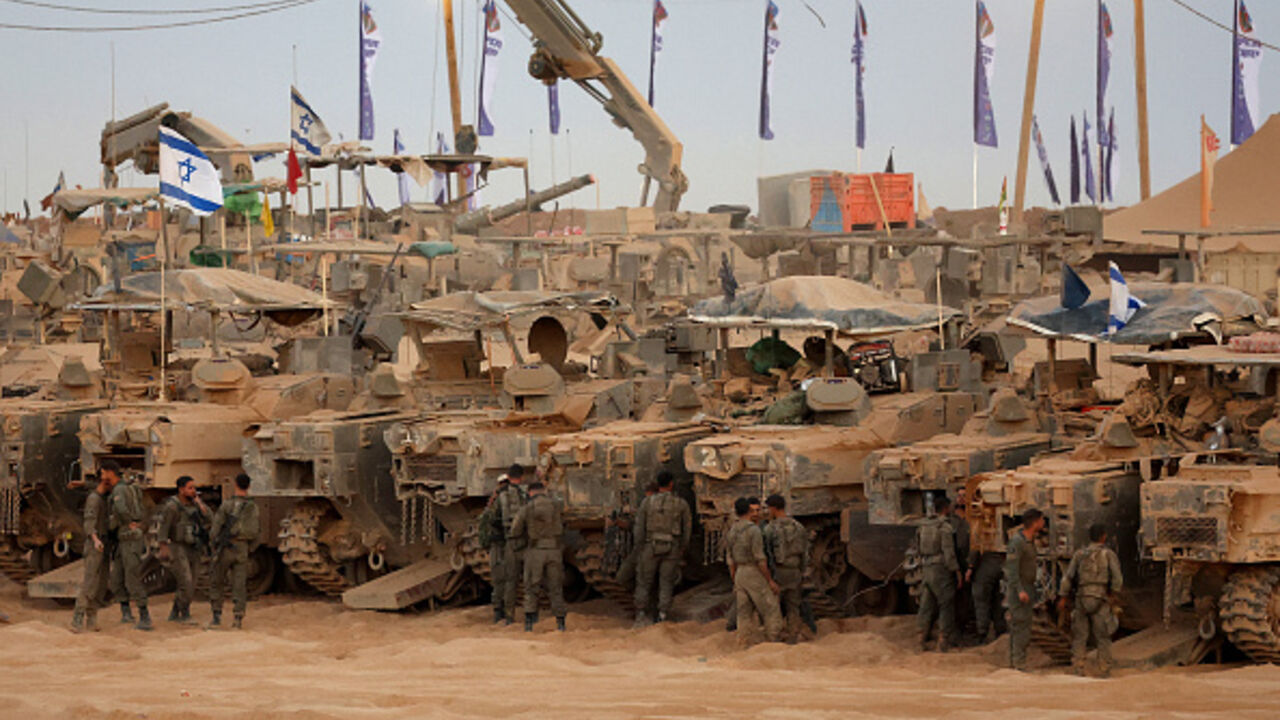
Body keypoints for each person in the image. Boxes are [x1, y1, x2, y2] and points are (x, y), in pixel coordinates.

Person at [1060, 523, 1123, 677]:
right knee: (1103, 636)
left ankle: (1078, 667)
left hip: (1081, 597)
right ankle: (1104, 668)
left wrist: (1063, 597)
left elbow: (1068, 577)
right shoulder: (1108, 554)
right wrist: (1113, 595)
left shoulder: (1079, 554)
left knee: (1080, 636)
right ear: (1104, 536)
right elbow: (1117, 579)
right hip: (1100, 598)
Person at [632, 470, 692, 626]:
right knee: (666, 582)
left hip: (650, 545)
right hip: (672, 546)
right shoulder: (681, 504)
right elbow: (687, 529)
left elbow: (639, 528)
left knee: (644, 581)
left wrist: (639, 547)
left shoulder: (647, 502)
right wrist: (682, 548)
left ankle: (640, 614)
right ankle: (662, 614)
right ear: (671, 484)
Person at [70, 462, 120, 633]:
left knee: (100, 583)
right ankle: (78, 618)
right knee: (90, 582)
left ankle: (92, 618)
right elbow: (89, 522)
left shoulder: (103, 497)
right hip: (95, 543)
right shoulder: (94, 499)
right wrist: (95, 539)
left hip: (105, 542)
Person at [510, 482, 566, 631]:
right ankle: (560, 623)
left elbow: (515, 530)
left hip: (535, 551)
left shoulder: (528, 508)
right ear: (544, 491)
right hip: (554, 550)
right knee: (556, 588)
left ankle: (529, 623)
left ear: (530, 492)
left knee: (531, 587)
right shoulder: (556, 506)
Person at [726, 497, 782, 644]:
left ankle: (742, 642)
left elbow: (730, 560)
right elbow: (760, 559)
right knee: (770, 609)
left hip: (739, 574)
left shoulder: (732, 530)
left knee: (743, 613)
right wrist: (769, 580)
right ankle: (773, 641)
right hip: (753, 572)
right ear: (749, 511)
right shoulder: (753, 530)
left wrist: (735, 580)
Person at [208, 473, 260, 630]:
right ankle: (238, 619)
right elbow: (258, 531)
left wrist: (213, 544)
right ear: (249, 486)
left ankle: (216, 618)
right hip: (242, 548)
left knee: (217, 582)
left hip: (226, 548)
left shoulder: (227, 505)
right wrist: (249, 548)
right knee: (239, 584)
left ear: (236, 485)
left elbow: (215, 528)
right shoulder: (253, 506)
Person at [156, 475, 211, 624]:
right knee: (185, 581)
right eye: (190, 488)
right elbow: (163, 528)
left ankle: (175, 612)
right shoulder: (172, 506)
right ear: (181, 490)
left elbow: (210, 519)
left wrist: (199, 503)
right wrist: (163, 547)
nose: (193, 491)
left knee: (192, 583)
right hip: (178, 547)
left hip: (193, 546)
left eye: (194, 488)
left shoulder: (195, 505)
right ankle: (184, 614)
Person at [107, 461, 151, 631]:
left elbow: (120, 509)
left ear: (110, 473)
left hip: (129, 537)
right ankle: (126, 613)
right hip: (122, 538)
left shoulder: (120, 490)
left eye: (104, 473)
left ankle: (144, 616)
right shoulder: (129, 487)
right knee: (117, 578)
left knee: (132, 578)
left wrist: (128, 522)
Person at [915, 496, 961, 651]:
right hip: (940, 569)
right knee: (946, 604)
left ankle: (920, 638)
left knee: (926, 604)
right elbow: (949, 553)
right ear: (946, 508)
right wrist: (956, 571)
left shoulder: (924, 525)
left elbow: (917, 547)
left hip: (926, 567)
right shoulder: (944, 527)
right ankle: (943, 640)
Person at [763, 494, 809, 642]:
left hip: (779, 571)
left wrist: (769, 577)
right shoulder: (798, 527)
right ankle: (793, 636)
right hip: (795, 571)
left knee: (774, 607)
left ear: (773, 508)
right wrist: (801, 571)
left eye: (768, 508)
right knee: (793, 606)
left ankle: (774, 637)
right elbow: (805, 554)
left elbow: (767, 554)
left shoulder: (770, 528)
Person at [1005, 508, 1046, 671]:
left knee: (1023, 626)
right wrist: (1020, 590)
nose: (1043, 523)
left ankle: (1016, 662)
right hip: (1019, 589)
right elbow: (1012, 570)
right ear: (1035, 522)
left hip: (1028, 586)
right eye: (1041, 520)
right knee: (1021, 626)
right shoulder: (1017, 542)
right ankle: (1018, 663)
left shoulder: (1029, 541)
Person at [493, 464, 528, 625]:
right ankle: (531, 615)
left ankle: (508, 616)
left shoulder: (501, 495)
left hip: (509, 542)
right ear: (521, 477)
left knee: (510, 581)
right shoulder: (525, 494)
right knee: (530, 580)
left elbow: (493, 518)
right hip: (526, 542)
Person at [614, 482, 659, 589]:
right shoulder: (674, 504)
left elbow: (637, 527)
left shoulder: (646, 505)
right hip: (662, 547)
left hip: (647, 547)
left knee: (625, 578)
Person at [481, 474, 512, 623]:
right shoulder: (515, 496)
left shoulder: (493, 502)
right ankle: (507, 614)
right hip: (510, 544)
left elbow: (487, 521)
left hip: (496, 545)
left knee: (499, 580)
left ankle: (499, 613)